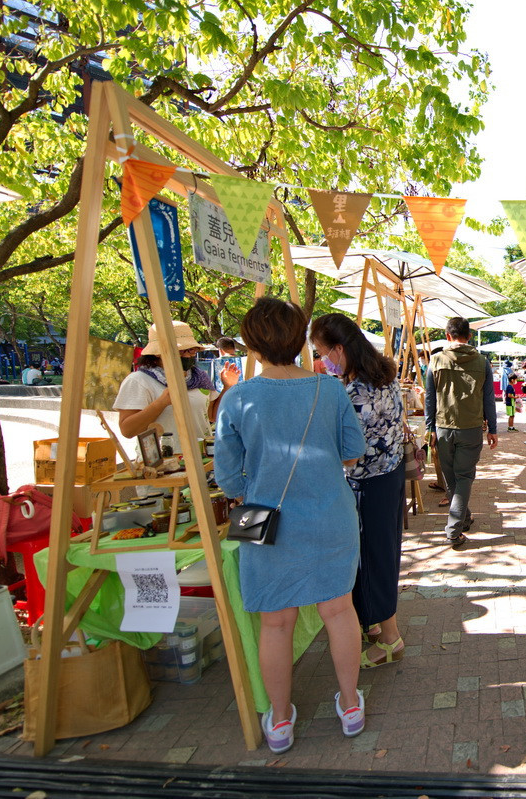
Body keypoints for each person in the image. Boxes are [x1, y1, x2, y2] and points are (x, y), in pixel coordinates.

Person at [214, 298, 368, 753]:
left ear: (252, 345)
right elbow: (352, 453)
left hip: (260, 517)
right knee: (339, 611)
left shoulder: (236, 397)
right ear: (301, 337)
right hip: (330, 513)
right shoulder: (330, 389)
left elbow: (227, 479)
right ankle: (351, 704)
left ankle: (280, 721)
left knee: (275, 622)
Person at [311, 313, 407, 670]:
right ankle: (374, 626)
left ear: (339, 349)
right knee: (381, 556)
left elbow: (349, 453)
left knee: (372, 561)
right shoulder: (385, 377)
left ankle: (390, 637)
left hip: (368, 484)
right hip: (389, 477)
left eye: (322, 352)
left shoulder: (352, 392)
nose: (322, 360)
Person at [425, 317, 498, 547]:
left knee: (452, 477)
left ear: (448, 336)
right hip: (471, 428)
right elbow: (489, 399)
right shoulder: (482, 361)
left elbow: (429, 398)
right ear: (468, 335)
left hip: (443, 427)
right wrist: (493, 428)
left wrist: (429, 428)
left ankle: (456, 525)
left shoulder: (435, 360)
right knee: (464, 477)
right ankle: (457, 525)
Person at [115, 321, 231, 441]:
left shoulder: (200, 378)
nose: (187, 356)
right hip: (165, 458)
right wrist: (161, 403)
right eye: (180, 351)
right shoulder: (138, 380)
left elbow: (211, 416)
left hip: (201, 456)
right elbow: (127, 431)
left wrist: (227, 387)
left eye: (191, 350)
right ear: (158, 353)